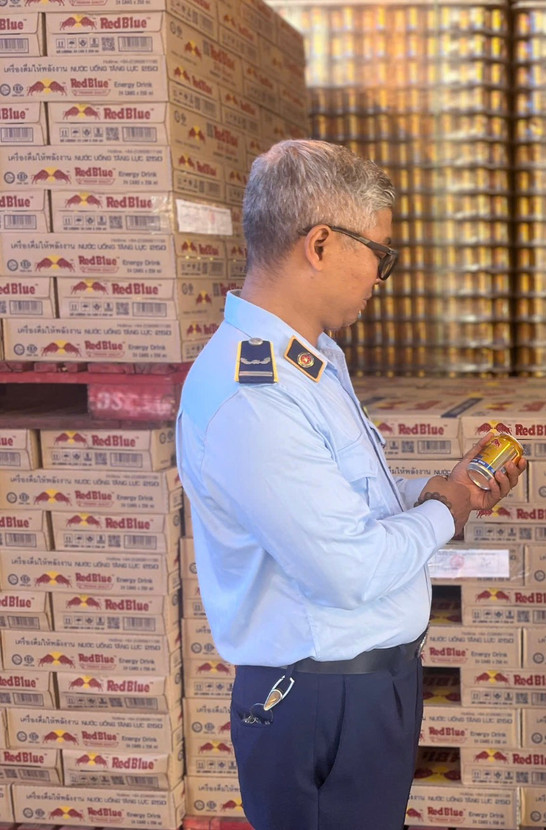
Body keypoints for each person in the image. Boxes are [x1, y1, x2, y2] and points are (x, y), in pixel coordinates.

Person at [176, 139, 526, 830]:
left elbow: (341, 499)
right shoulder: (254, 395)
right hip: (318, 702)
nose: (380, 276)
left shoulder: (309, 359)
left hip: (359, 689)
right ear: (320, 245)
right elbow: (349, 569)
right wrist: (448, 507)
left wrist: (432, 488)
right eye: (379, 254)